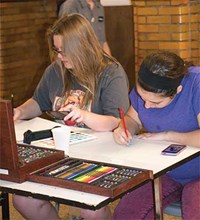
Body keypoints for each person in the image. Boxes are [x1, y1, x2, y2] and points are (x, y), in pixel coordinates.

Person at [13, 13, 130, 220]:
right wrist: (20, 111)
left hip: (100, 155)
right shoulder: (56, 70)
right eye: (57, 50)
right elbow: (39, 102)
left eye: (64, 51)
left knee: (90, 209)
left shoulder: (111, 72)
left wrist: (85, 115)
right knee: (23, 200)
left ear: (81, 46)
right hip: (61, 152)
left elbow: (115, 121)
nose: (59, 56)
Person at [113, 51, 200, 219]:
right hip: (165, 171)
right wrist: (124, 129)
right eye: (142, 97)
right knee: (127, 213)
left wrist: (168, 135)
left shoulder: (196, 84)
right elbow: (132, 118)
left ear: (178, 90)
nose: (146, 105)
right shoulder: (147, 87)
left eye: (155, 102)